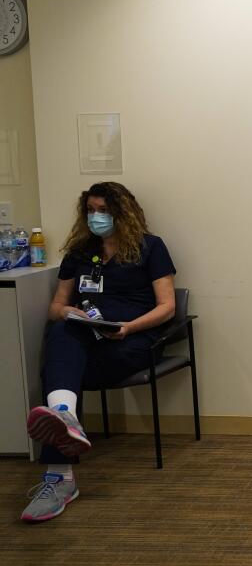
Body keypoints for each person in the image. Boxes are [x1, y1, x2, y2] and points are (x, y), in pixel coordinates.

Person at [22, 182, 176, 523]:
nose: (96, 217)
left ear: (123, 213)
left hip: (131, 339)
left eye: (104, 211)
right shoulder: (79, 252)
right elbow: (56, 307)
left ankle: (59, 473)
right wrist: (69, 313)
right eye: (91, 210)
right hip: (85, 333)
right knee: (62, 331)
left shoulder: (150, 248)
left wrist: (128, 327)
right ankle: (65, 419)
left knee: (59, 373)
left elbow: (167, 306)